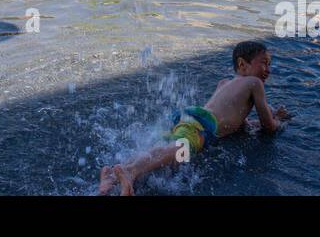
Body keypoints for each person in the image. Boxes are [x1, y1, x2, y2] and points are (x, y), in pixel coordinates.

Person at [98, 41, 289, 196]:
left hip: (190, 120)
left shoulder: (225, 84)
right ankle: (130, 173)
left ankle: (114, 174)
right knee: (181, 151)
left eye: (269, 64)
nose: (268, 69)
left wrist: (256, 123)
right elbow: (269, 127)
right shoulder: (254, 83)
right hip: (201, 127)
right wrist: (279, 120)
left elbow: (239, 124)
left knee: (166, 149)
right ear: (241, 64)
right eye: (264, 63)